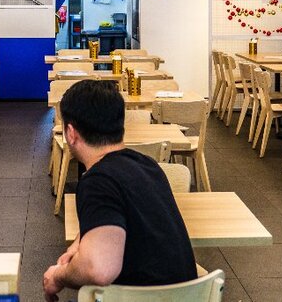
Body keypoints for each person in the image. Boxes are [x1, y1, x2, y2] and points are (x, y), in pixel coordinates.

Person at [43, 80, 196, 301]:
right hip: (189, 294)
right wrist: (79, 244)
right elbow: (112, 215)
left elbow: (99, 269)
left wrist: (58, 276)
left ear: (70, 132)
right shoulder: (147, 165)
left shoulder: (97, 181)